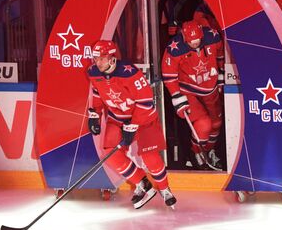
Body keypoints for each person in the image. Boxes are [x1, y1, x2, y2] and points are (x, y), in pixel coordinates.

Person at [87, 40, 176, 209]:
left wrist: (133, 125)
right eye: (96, 58)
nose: (98, 62)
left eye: (102, 58)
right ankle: (143, 183)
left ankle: (165, 189)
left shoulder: (129, 73)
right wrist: (94, 114)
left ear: (112, 58)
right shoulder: (93, 72)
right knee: (109, 153)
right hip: (118, 118)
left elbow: (146, 101)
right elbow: (98, 92)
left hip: (143, 119)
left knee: (150, 157)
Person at [161, 20, 224, 171]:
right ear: (183, 37)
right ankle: (197, 153)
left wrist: (222, 72)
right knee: (204, 124)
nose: (195, 44)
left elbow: (221, 55)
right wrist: (176, 96)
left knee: (216, 124)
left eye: (197, 41)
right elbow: (169, 75)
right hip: (188, 90)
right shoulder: (174, 48)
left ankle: (209, 150)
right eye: (191, 42)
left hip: (211, 88)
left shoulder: (213, 36)